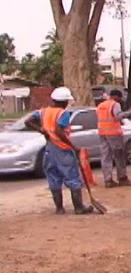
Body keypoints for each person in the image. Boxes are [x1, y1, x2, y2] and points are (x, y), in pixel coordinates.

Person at [24, 86, 94, 215]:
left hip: (50, 149)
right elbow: (59, 131)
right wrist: (73, 146)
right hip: (63, 149)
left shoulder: (43, 111)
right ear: (65, 102)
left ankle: (59, 209)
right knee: (72, 178)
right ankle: (79, 208)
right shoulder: (63, 114)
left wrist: (41, 130)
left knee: (54, 177)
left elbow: (28, 121)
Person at [96, 89, 131, 187]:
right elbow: (118, 116)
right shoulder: (115, 105)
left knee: (106, 157)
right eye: (119, 97)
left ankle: (108, 180)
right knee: (119, 156)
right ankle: (122, 178)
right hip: (113, 133)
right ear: (115, 96)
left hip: (102, 133)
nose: (120, 100)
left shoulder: (101, 105)